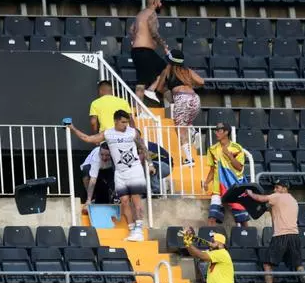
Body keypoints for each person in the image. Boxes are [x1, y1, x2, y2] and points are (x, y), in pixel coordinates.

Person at [68, 110, 153, 241]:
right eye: (123, 122)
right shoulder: (108, 134)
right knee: (124, 202)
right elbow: (88, 138)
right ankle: (132, 231)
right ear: (116, 121)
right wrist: (72, 128)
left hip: (134, 170)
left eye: (127, 122)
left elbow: (143, 147)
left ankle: (139, 230)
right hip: (120, 172)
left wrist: (150, 164)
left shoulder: (132, 132)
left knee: (136, 201)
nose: (126, 125)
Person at [247, 178, 305, 283]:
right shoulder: (293, 200)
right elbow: (275, 209)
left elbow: (260, 199)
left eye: (278, 187)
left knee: (267, 264)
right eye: (275, 187)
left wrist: (249, 193)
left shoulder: (278, 197)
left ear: (285, 188)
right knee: (299, 266)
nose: (275, 190)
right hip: (294, 236)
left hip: (281, 236)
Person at [148, 49, 204, 166]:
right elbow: (201, 81)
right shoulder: (186, 70)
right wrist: (188, 84)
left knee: (179, 129)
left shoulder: (167, 70)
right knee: (186, 122)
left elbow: (159, 88)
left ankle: (189, 159)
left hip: (181, 98)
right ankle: (193, 132)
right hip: (195, 98)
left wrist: (168, 93)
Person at [203, 122, 249, 227]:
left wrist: (229, 155)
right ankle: (212, 242)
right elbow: (212, 169)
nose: (216, 133)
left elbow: (239, 167)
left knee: (242, 219)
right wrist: (206, 182)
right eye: (216, 131)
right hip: (217, 188)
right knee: (212, 218)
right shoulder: (212, 149)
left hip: (234, 186)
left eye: (219, 131)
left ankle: (247, 241)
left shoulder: (237, 148)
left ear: (226, 132)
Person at [129, 0, 168, 101]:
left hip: (136, 51)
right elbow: (154, 32)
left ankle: (139, 110)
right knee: (165, 68)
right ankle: (151, 89)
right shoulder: (152, 14)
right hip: (146, 51)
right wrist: (164, 45)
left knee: (141, 82)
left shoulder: (140, 14)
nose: (160, 4)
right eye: (160, 1)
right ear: (155, 2)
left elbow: (131, 30)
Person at [81, 143, 114, 208]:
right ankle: (91, 197)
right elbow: (93, 180)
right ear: (99, 152)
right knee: (86, 171)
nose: (104, 158)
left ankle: (114, 198)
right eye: (102, 154)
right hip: (91, 168)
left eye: (107, 155)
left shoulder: (116, 154)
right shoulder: (96, 157)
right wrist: (88, 200)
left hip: (108, 169)